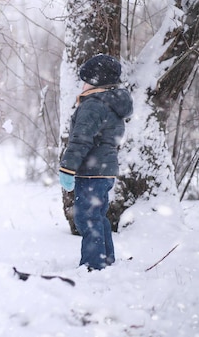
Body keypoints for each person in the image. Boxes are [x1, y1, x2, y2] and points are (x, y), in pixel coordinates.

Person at [59, 54, 133, 271]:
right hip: (104, 170)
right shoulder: (110, 104)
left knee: (86, 218)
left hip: (91, 170)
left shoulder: (93, 105)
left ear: (95, 82)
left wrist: (67, 167)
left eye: (85, 80)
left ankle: (93, 264)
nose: (82, 85)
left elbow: (81, 139)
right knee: (97, 217)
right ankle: (106, 259)